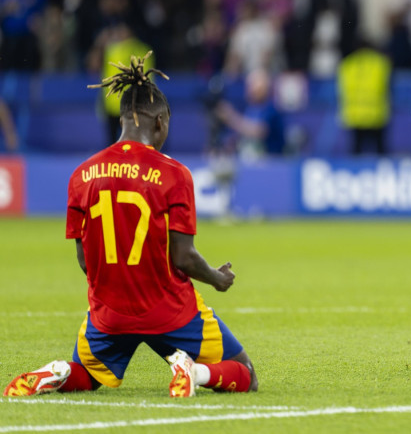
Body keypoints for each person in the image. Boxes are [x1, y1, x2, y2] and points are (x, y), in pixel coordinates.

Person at [3, 53, 258, 398]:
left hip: (109, 315)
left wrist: (117, 293)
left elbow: (84, 260)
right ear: (159, 122)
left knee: (87, 375)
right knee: (245, 373)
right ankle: (193, 372)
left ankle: (57, 373)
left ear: (123, 118)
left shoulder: (82, 175)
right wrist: (216, 277)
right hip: (170, 311)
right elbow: (183, 257)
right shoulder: (174, 174)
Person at [215, 68, 286, 159]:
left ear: (265, 87)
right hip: (249, 163)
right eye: (248, 85)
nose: (250, 89)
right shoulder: (250, 109)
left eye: (253, 85)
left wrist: (231, 117)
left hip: (271, 163)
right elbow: (243, 136)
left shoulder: (272, 109)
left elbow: (258, 132)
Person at [337, 41, 392, 155]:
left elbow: (342, 90)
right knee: (380, 151)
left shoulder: (348, 64)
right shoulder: (380, 63)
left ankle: (354, 172)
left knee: (356, 150)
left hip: (355, 114)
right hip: (376, 113)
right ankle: (383, 172)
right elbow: (387, 87)